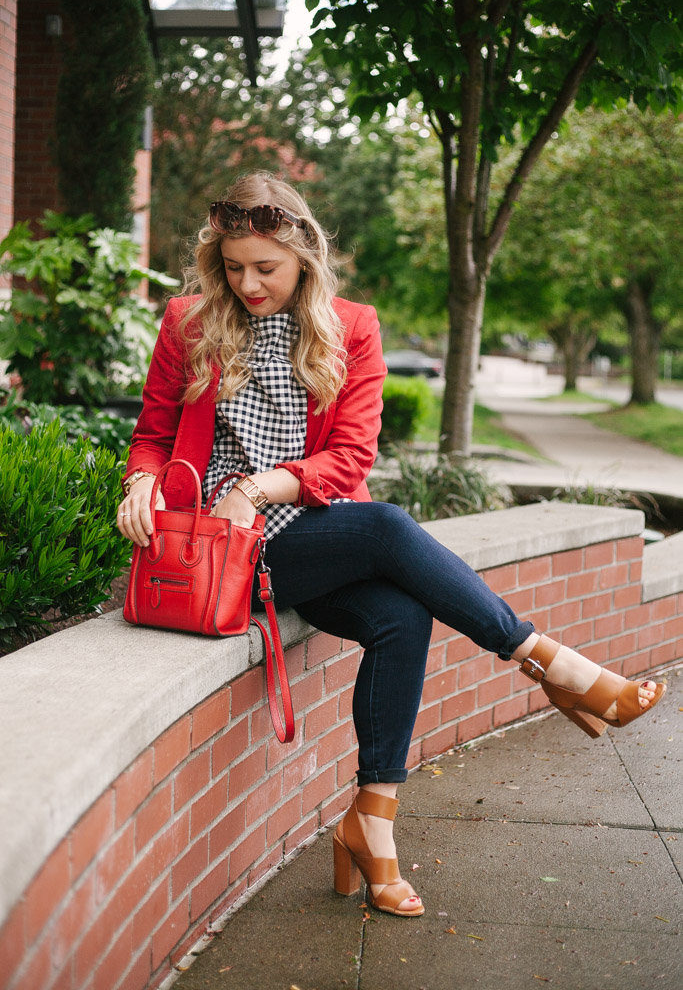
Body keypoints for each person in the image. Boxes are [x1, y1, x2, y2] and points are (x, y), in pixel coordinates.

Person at [117, 172, 665, 919]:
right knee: (384, 525)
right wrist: (140, 485)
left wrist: (260, 485)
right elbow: (151, 436)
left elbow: (348, 461)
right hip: (221, 554)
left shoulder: (352, 328)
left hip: (303, 532)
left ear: (304, 256)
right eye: (234, 266)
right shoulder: (187, 321)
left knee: (400, 618)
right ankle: (548, 662)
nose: (247, 283)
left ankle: (369, 821)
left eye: (265, 268)